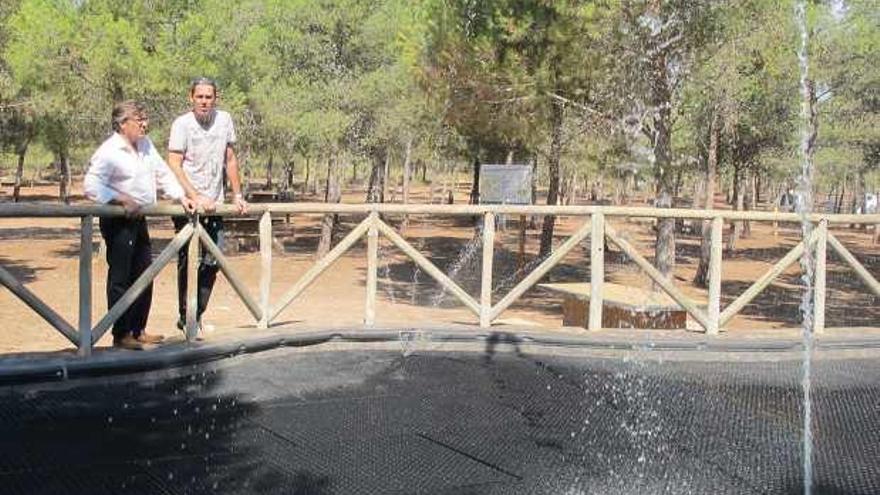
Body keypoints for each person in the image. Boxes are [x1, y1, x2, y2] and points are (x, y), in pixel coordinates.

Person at [84, 101, 195, 350]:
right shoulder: (109, 151)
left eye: (145, 117)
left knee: (145, 272)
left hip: (140, 218)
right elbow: (91, 185)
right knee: (121, 277)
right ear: (123, 124)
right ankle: (121, 333)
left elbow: (163, 173)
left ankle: (138, 329)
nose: (144, 123)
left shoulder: (145, 145)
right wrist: (118, 197)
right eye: (138, 118)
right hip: (118, 220)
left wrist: (181, 196)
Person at [166, 77, 248, 333]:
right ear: (191, 97)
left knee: (214, 259)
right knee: (187, 260)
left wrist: (237, 194)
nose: (204, 101)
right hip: (188, 205)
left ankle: (195, 314)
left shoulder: (224, 120)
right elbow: (174, 163)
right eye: (199, 97)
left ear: (216, 98)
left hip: (216, 201)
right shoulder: (182, 124)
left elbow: (230, 159)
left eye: (208, 97)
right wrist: (195, 195)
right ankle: (186, 314)